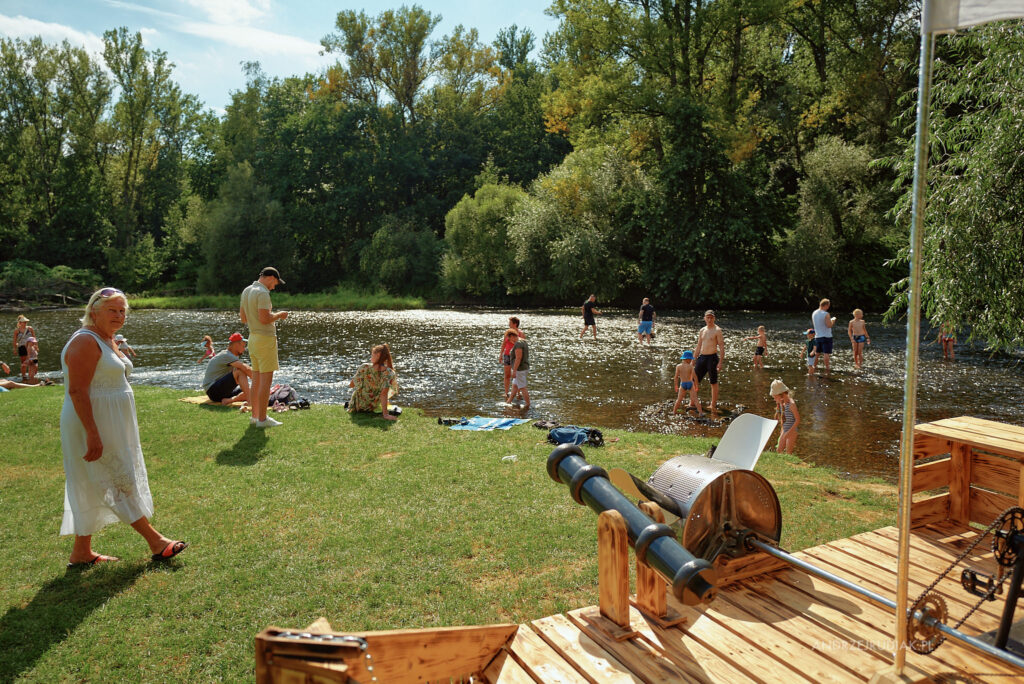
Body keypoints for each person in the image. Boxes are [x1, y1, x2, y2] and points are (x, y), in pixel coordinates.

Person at [59, 287, 188, 567]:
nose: (119, 316)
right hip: (91, 422)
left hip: (111, 421)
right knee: (116, 478)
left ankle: (81, 552)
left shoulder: (106, 339)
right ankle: (156, 541)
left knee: (92, 480)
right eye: (112, 310)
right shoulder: (84, 341)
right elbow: (77, 391)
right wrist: (92, 433)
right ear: (94, 311)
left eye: (122, 311)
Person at [240, 267, 288, 428]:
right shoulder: (262, 293)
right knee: (265, 383)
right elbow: (264, 318)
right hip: (265, 340)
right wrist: (279, 315)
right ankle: (262, 419)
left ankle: (255, 417)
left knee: (256, 380)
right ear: (270, 278)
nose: (274, 286)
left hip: (252, 338)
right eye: (275, 282)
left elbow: (243, 318)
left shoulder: (246, 291)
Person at [348, 343, 398, 420]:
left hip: (357, 406)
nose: (371, 357)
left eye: (372, 355)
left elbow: (351, 385)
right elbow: (384, 394)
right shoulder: (389, 373)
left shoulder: (364, 367)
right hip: (372, 406)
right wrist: (385, 415)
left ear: (378, 355)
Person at [202, 333, 252, 405]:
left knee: (252, 390)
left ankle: (229, 400)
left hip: (223, 391)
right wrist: (260, 381)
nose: (244, 349)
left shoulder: (233, 357)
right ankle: (250, 401)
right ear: (236, 345)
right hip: (213, 391)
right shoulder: (226, 355)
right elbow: (246, 369)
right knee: (240, 371)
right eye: (243, 346)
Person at [694, 310, 725, 410]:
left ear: (714, 318)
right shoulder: (702, 330)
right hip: (702, 357)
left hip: (712, 358)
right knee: (694, 380)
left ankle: (713, 404)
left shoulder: (717, 330)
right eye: (708, 317)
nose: (709, 319)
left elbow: (721, 347)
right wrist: (693, 360)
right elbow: (698, 346)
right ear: (704, 318)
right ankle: (692, 401)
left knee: (713, 382)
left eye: (711, 317)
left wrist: (720, 362)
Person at [770, 379, 800, 454]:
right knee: (779, 450)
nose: (774, 399)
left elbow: (798, 420)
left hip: (792, 431)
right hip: (785, 429)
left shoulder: (791, 404)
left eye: (775, 397)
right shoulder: (782, 402)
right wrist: (782, 430)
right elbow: (783, 419)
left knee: (788, 452)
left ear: (781, 395)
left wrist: (789, 432)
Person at [500, 318, 526, 400]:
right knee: (507, 375)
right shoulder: (508, 332)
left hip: (516, 356)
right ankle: (506, 393)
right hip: (507, 355)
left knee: (517, 374)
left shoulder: (520, 333)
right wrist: (501, 354)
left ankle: (518, 392)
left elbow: (524, 345)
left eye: (510, 322)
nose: (509, 324)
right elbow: (504, 343)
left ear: (515, 324)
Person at [672, 350, 701, 416]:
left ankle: (674, 412)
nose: (691, 361)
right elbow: (695, 377)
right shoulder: (690, 366)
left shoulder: (678, 366)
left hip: (683, 384)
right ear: (687, 359)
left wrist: (676, 386)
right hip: (690, 383)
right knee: (695, 399)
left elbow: (676, 377)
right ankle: (701, 413)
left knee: (679, 399)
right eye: (690, 359)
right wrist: (696, 386)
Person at [811, 298, 836, 373]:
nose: (828, 307)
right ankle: (827, 369)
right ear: (826, 305)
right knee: (826, 353)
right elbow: (829, 325)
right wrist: (833, 320)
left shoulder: (814, 313)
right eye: (828, 306)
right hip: (826, 336)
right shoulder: (826, 314)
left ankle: (813, 367)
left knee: (817, 353)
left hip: (817, 336)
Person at [507, 330, 530, 410]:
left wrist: (514, 371)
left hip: (520, 369)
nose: (510, 341)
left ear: (512, 336)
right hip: (524, 367)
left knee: (523, 387)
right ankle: (508, 402)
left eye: (509, 339)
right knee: (515, 385)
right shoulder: (523, 341)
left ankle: (527, 405)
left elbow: (518, 358)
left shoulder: (518, 344)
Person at [13, 314, 35, 381]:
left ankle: (31, 375)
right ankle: (24, 376)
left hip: (30, 347)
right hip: (21, 347)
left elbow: (34, 338)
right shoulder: (17, 331)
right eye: (24, 322)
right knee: (23, 362)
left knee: (31, 361)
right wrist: (14, 349)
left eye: (26, 322)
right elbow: (14, 340)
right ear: (20, 323)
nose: (25, 323)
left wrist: (36, 346)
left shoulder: (30, 328)